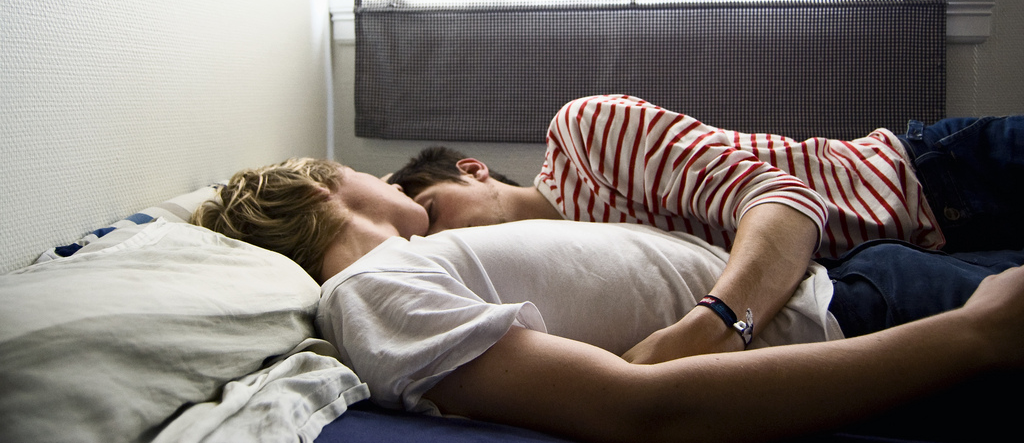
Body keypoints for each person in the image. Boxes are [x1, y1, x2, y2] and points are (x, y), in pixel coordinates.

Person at [193, 157, 1024, 443]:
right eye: (365, 171)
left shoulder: (408, 266)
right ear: (323, 184)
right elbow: (637, 408)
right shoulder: (370, 290)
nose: (391, 179)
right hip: (856, 317)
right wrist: (975, 335)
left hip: (857, 280)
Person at [386, 94, 1024, 362]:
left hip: (933, 179)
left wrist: (708, 328)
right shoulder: (563, 276)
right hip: (901, 273)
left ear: (473, 171)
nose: (440, 240)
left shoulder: (582, 136)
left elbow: (784, 197)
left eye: (434, 212)